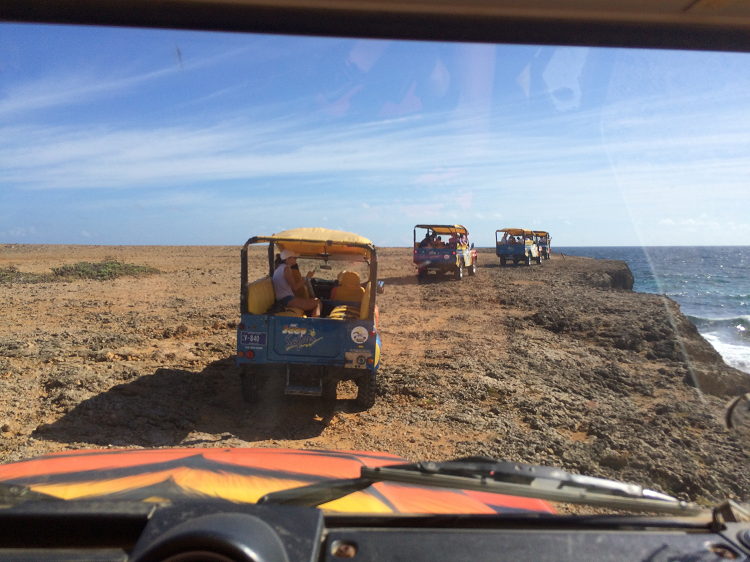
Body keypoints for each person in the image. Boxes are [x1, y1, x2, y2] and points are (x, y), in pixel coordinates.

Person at [272, 249, 322, 317]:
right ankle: (315, 325)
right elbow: (295, 287)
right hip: (286, 299)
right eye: (294, 257)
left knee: (315, 301)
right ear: (288, 259)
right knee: (317, 303)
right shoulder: (286, 268)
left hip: (285, 299)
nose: (296, 259)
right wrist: (307, 277)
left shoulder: (281, 268)